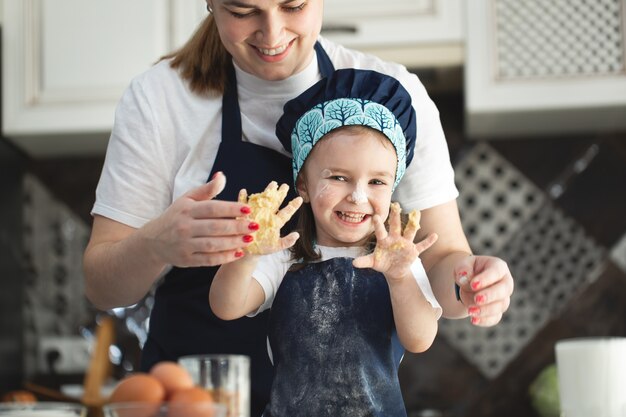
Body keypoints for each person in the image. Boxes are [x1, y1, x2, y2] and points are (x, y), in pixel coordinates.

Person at [83, 1, 514, 415]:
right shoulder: (161, 99)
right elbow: (103, 288)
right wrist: (157, 244)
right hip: (197, 400)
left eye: (293, 5)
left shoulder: (392, 99)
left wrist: (472, 282)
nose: (273, 33)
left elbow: (440, 262)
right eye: (243, 10)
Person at [210, 68, 441, 417]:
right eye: (338, 177)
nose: (358, 197)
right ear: (303, 184)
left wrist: (399, 277)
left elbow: (420, 339)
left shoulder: (398, 259)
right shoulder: (285, 252)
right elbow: (227, 307)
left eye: (377, 182)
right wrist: (246, 255)